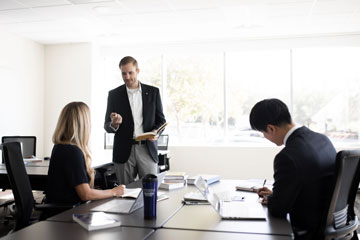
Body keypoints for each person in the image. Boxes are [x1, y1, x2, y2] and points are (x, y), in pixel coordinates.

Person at [249, 98, 336, 240]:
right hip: (331, 224)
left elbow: (278, 209)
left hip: (309, 229)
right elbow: (312, 184)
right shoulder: (322, 140)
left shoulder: (287, 157)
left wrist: (274, 199)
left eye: (263, 132)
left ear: (271, 128)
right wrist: (279, 194)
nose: (265, 137)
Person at [46, 102, 125, 205]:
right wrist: (114, 192)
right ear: (83, 124)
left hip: (65, 209)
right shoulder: (72, 152)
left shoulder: (60, 146)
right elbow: (85, 194)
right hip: (67, 214)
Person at [104, 56, 166, 185]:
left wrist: (156, 132)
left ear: (137, 71)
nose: (127, 77)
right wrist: (114, 124)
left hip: (147, 149)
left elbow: (161, 120)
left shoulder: (153, 92)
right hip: (123, 151)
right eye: (123, 73)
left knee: (150, 190)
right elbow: (107, 125)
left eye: (130, 72)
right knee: (125, 193)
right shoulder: (114, 95)